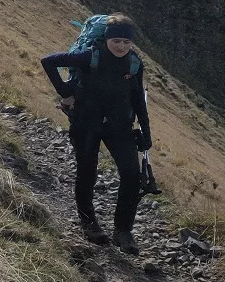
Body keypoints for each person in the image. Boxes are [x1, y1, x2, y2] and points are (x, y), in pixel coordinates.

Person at [41, 14, 152, 254]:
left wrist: (146, 134)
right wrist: (65, 93)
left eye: (126, 42)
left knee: (131, 175)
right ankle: (88, 223)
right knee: (87, 171)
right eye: (116, 41)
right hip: (85, 122)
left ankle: (123, 231)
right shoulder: (91, 55)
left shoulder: (134, 63)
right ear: (107, 39)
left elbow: (138, 100)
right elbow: (48, 61)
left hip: (120, 126)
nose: (121, 46)